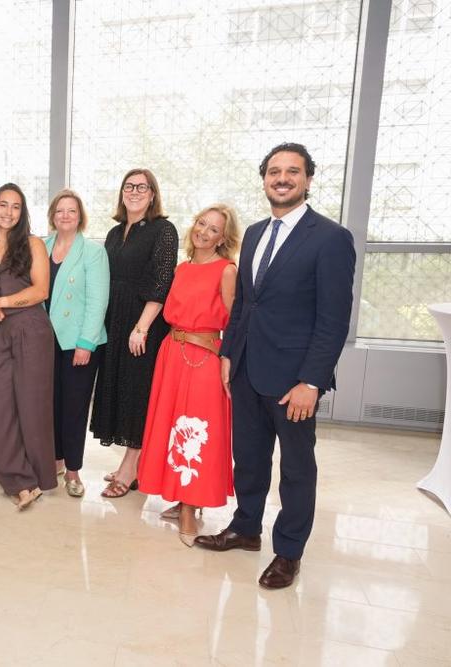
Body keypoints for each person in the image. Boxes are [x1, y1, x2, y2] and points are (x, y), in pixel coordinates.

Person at [195, 143, 356, 590]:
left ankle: (288, 552)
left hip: (294, 381)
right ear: (264, 178)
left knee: (297, 469)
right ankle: (246, 528)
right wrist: (230, 354)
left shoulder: (330, 238)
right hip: (246, 369)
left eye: (292, 171)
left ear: (307, 179)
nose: (282, 178)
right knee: (247, 458)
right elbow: (246, 303)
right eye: (274, 171)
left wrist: (311, 381)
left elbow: (333, 320)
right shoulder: (255, 233)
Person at [137, 204, 241, 546]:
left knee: (198, 428)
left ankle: (190, 507)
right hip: (172, 353)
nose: (203, 231)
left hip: (205, 358)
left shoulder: (226, 270)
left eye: (213, 229)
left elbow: (235, 322)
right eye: (201, 223)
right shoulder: (183, 268)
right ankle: (179, 497)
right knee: (171, 425)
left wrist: (227, 358)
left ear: (223, 238)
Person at [90, 169, 178, 499]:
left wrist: (141, 327)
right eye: (129, 186)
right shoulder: (114, 233)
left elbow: (162, 280)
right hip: (115, 320)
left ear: (153, 194)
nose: (135, 191)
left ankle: (129, 469)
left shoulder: (163, 230)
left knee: (137, 395)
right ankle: (133, 463)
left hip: (144, 323)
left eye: (143, 187)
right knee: (119, 390)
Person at [0, 183, 55, 510]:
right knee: (1, 407)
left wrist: (1, 301)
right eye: (3, 204)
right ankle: (16, 480)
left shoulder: (33, 243)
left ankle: (36, 477)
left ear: (23, 212)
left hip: (31, 329)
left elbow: (41, 291)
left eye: (16, 206)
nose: (8, 212)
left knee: (32, 406)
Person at [43, 189, 109, 498]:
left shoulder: (93, 252)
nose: (65, 216)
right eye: (60, 211)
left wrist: (86, 342)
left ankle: (73, 470)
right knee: (49, 406)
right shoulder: (40, 247)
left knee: (74, 408)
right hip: (44, 342)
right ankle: (55, 461)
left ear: (80, 216)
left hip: (77, 344)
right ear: (52, 216)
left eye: (71, 211)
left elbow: (98, 301)